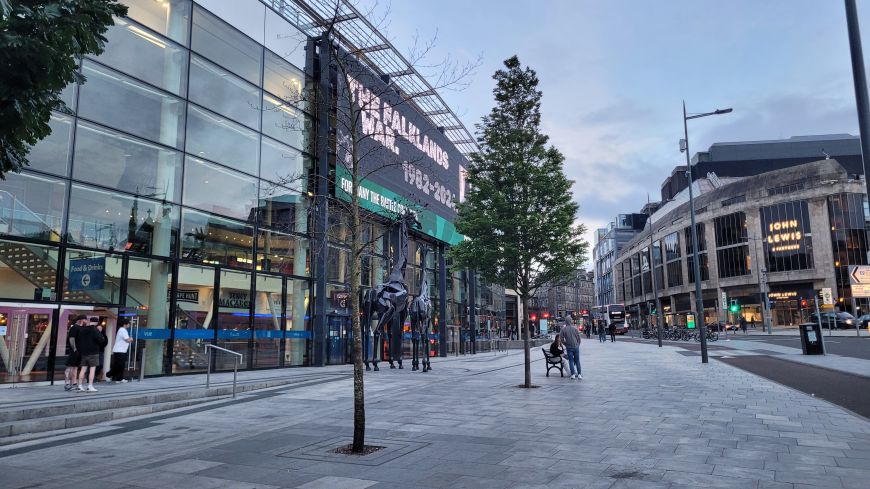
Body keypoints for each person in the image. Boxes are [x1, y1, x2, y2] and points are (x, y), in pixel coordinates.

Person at [76, 318, 108, 392]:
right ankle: (90, 385)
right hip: (93, 353)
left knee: (83, 369)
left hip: (84, 353)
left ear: (90, 321)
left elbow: (79, 340)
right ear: (96, 323)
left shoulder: (82, 330)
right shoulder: (95, 330)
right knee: (92, 369)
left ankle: (80, 385)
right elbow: (101, 340)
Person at [64, 315, 87, 391]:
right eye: (85, 320)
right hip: (74, 351)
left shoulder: (82, 328)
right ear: (80, 320)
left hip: (80, 351)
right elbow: (71, 339)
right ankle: (67, 384)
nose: (86, 321)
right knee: (70, 367)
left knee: (76, 367)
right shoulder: (74, 328)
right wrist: (74, 349)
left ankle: (74, 383)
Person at [108, 318, 133, 383]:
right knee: (120, 365)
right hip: (120, 350)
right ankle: (113, 376)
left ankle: (116, 377)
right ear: (125, 324)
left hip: (119, 350)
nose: (129, 325)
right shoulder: (123, 330)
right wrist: (131, 339)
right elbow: (127, 340)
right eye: (128, 323)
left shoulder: (121, 330)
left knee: (118, 365)